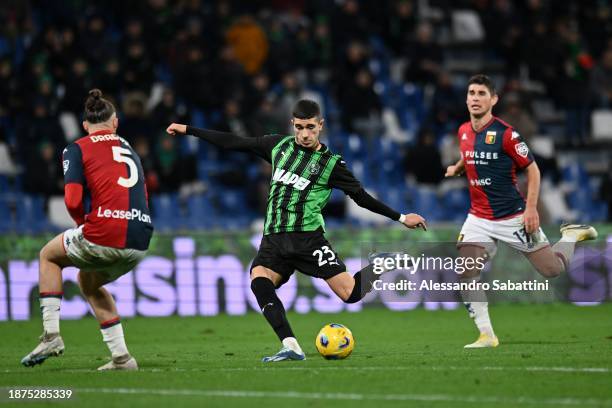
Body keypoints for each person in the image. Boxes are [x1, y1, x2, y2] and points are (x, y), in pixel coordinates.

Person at [167, 99, 426, 362]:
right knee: (259, 281)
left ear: (320, 126)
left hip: (308, 240)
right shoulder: (278, 146)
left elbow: (361, 198)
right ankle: (291, 345)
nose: (304, 134)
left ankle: (379, 265)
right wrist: (189, 130)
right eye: (300, 127)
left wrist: (401, 217)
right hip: (274, 239)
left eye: (310, 127)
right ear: (292, 124)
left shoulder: (331, 164)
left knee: (350, 294)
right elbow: (235, 142)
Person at [445, 75, 597, 348]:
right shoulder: (463, 131)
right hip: (478, 218)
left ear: (493, 100)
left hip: (512, 216)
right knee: (467, 270)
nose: (475, 98)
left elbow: (533, 169)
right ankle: (486, 335)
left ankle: (571, 237)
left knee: (552, 270)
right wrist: (458, 167)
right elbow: (470, 154)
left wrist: (530, 210)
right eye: (471, 93)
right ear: (466, 98)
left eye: (482, 93)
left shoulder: (507, 134)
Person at [21, 89, 154, 370]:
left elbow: (71, 199)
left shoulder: (76, 148)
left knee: (48, 256)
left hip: (105, 231)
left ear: (85, 126)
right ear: (115, 122)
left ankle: (51, 335)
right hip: (140, 238)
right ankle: (122, 358)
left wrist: (83, 223)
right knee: (88, 282)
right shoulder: (128, 146)